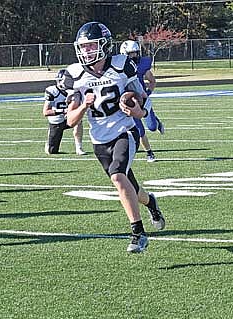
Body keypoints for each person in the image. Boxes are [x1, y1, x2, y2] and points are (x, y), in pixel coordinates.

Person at [64, 22, 166, 253]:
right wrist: (83, 107)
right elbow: (70, 120)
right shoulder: (74, 74)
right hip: (99, 140)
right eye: (84, 47)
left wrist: (141, 112)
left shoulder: (122, 65)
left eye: (92, 46)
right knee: (132, 189)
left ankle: (138, 234)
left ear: (104, 45)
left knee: (118, 178)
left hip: (125, 131)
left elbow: (141, 95)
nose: (87, 51)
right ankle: (152, 203)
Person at [120, 40, 164, 162]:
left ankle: (157, 122)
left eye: (136, 53)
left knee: (152, 127)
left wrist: (147, 94)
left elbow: (152, 81)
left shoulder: (142, 64)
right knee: (140, 130)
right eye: (131, 54)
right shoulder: (118, 67)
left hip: (142, 99)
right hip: (130, 101)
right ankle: (149, 153)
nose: (134, 56)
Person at [42, 69, 85, 155]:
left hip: (69, 119)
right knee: (52, 151)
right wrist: (62, 111)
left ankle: (79, 148)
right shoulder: (52, 91)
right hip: (56, 121)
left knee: (78, 121)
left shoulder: (75, 91)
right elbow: (45, 112)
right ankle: (50, 142)